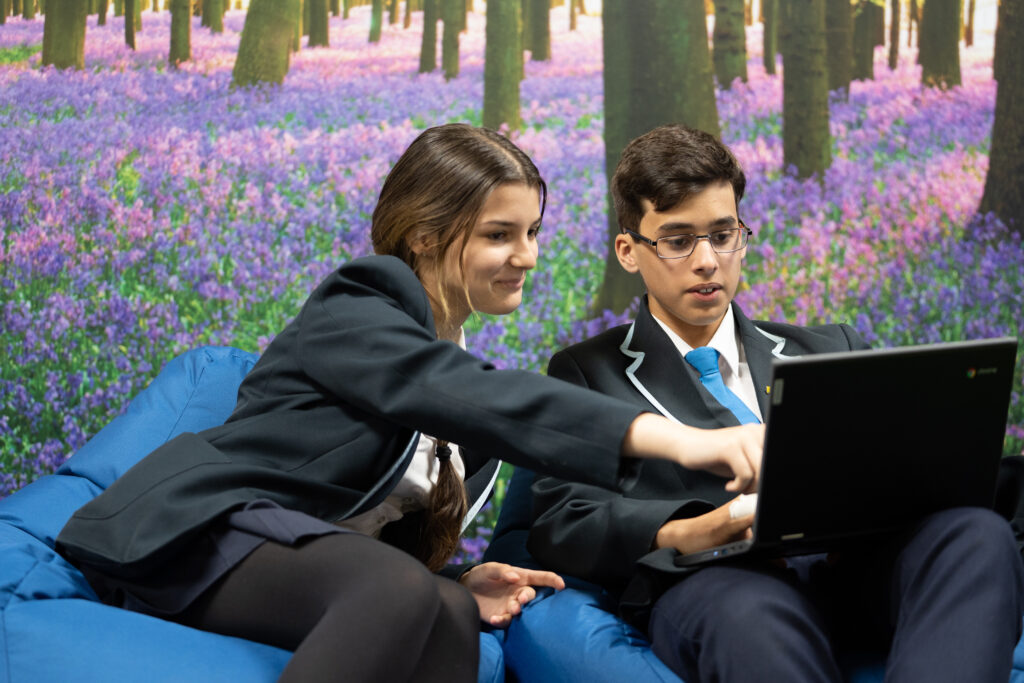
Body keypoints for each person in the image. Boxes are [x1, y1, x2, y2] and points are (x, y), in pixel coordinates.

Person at [55, 123, 764, 683]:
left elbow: (360, 528)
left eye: (532, 232)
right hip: (196, 538)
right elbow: (452, 392)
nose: (527, 255)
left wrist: (453, 576)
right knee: (396, 590)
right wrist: (679, 439)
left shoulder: (461, 387)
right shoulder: (360, 302)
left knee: (452, 610)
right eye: (498, 234)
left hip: (302, 562)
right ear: (425, 234)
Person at [526, 124, 1024, 682]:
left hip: (853, 571)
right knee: (754, 612)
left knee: (977, 537)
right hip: (721, 582)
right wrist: (693, 528)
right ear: (629, 252)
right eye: (677, 240)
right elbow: (563, 522)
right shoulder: (587, 372)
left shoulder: (831, 346)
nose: (707, 261)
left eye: (722, 234)